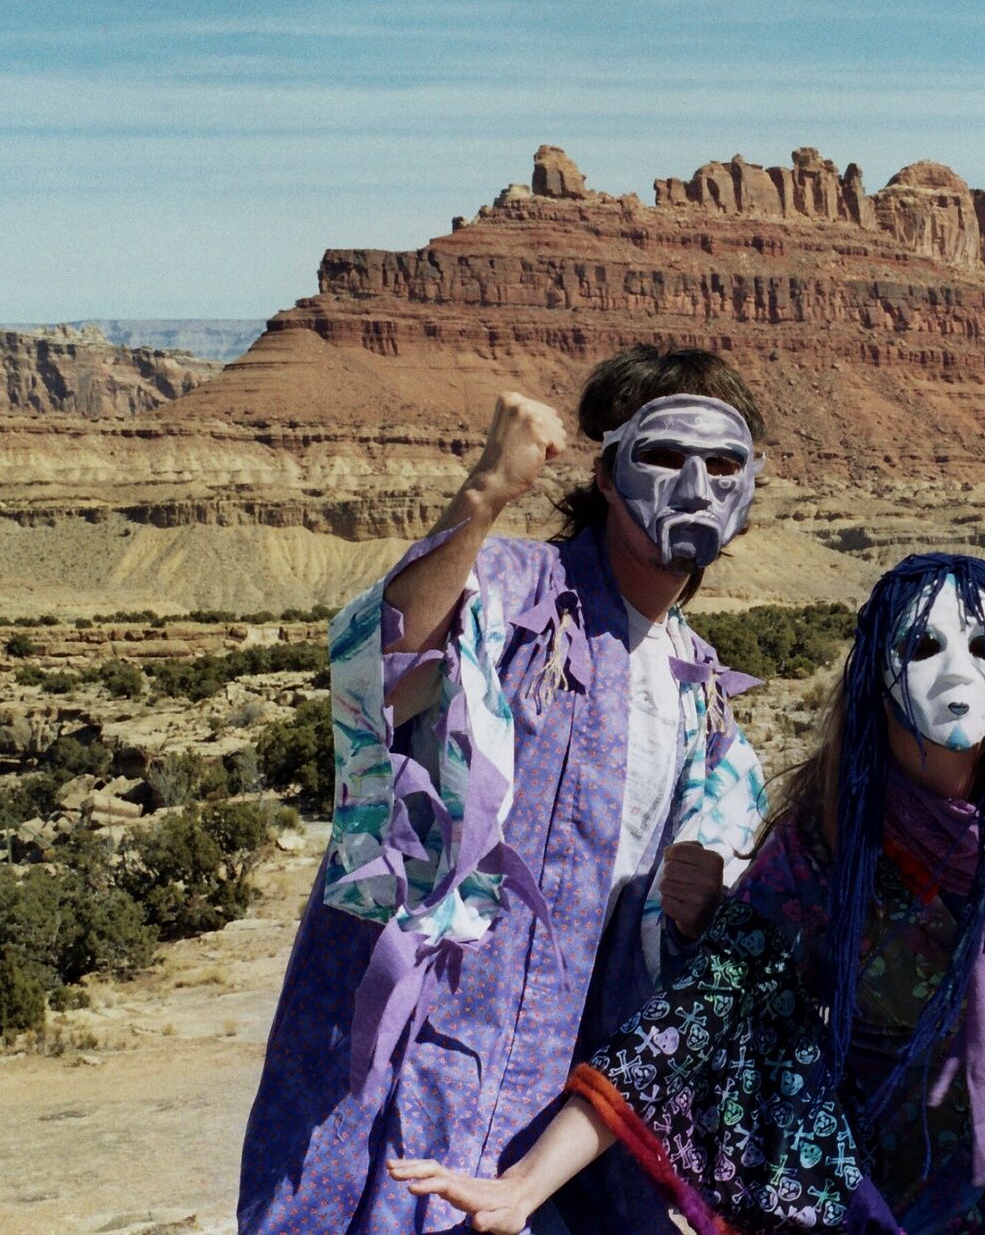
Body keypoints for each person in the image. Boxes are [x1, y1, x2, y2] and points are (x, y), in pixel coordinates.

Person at [387, 553, 985, 1234]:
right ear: (879, 670)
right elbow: (688, 1026)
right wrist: (524, 1184)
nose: (957, 671)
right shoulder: (825, 847)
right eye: (923, 646)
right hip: (912, 1184)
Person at [239, 346, 775, 1234]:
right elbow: (381, 677)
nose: (694, 486)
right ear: (606, 473)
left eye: (724, 463)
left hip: (560, 1127)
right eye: (663, 454)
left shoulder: (700, 690)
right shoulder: (518, 594)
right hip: (423, 1081)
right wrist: (484, 493)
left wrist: (693, 913)